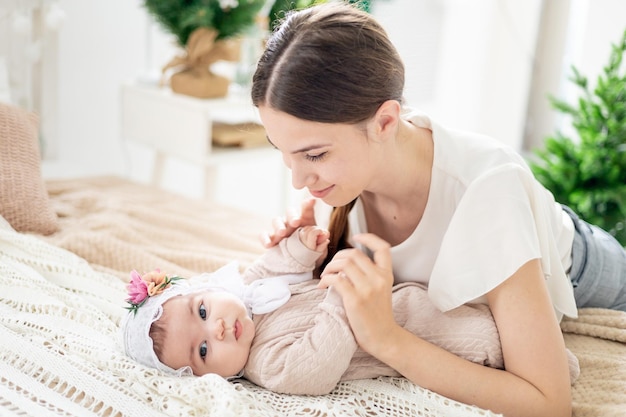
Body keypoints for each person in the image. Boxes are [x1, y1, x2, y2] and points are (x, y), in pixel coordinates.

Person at [250, 2, 626, 416]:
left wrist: (386, 339)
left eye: (315, 155)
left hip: (590, 273)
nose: (297, 180)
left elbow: (547, 403)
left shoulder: (488, 192)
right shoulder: (347, 180)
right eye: (284, 153)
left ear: (385, 123)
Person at [122, 226, 577, 395]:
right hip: (430, 336)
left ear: (207, 291)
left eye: (203, 311)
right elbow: (315, 366)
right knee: (485, 338)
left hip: (414, 297)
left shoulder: (249, 291)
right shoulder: (268, 364)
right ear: (209, 379)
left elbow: (279, 265)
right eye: (203, 351)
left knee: (480, 296)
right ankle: (552, 362)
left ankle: (543, 341)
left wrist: (303, 245)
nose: (218, 328)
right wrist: (342, 296)